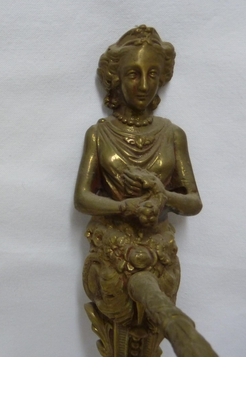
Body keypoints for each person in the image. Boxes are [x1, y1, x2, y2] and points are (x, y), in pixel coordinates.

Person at [74, 26, 202, 356]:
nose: (144, 85)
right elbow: (82, 198)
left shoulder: (172, 135)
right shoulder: (99, 134)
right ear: (115, 78)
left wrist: (163, 196)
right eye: (133, 74)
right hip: (113, 253)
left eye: (153, 74)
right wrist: (126, 208)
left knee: (153, 331)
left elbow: (193, 202)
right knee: (119, 334)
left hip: (160, 256)